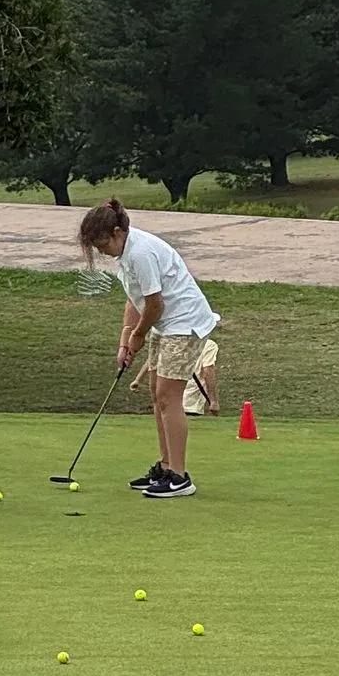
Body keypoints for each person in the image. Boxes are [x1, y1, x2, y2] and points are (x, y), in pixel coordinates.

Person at [78, 199, 219, 499]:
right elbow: (135, 300)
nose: (101, 251)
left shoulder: (140, 253)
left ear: (117, 232)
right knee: (157, 395)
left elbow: (155, 304)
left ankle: (179, 477)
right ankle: (166, 466)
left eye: (102, 244)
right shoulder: (126, 253)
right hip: (166, 324)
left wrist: (138, 335)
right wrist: (125, 340)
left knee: (169, 397)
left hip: (185, 324)